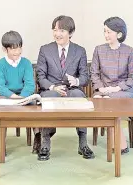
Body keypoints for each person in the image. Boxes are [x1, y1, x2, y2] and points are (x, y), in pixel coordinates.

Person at [35, 15, 94, 161]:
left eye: (61, 30)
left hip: (72, 89)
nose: (57, 34)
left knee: (79, 97)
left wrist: (77, 80)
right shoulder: (45, 50)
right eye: (55, 30)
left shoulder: (79, 51)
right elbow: (40, 77)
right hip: (51, 90)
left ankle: (83, 143)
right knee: (48, 97)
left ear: (71, 33)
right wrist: (53, 87)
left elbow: (85, 77)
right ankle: (45, 144)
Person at [90, 17, 133, 154]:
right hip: (103, 90)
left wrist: (116, 88)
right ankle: (118, 141)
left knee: (107, 100)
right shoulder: (99, 50)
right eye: (104, 31)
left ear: (119, 34)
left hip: (123, 91)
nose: (106, 35)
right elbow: (94, 73)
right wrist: (100, 88)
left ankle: (120, 143)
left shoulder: (130, 51)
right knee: (100, 98)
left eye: (109, 32)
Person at [0, 30, 35, 99]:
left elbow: (30, 85)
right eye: (13, 49)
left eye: (19, 48)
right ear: (4, 49)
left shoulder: (26, 63)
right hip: (6, 96)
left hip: (23, 96)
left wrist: (22, 97)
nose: (17, 52)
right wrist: (13, 96)